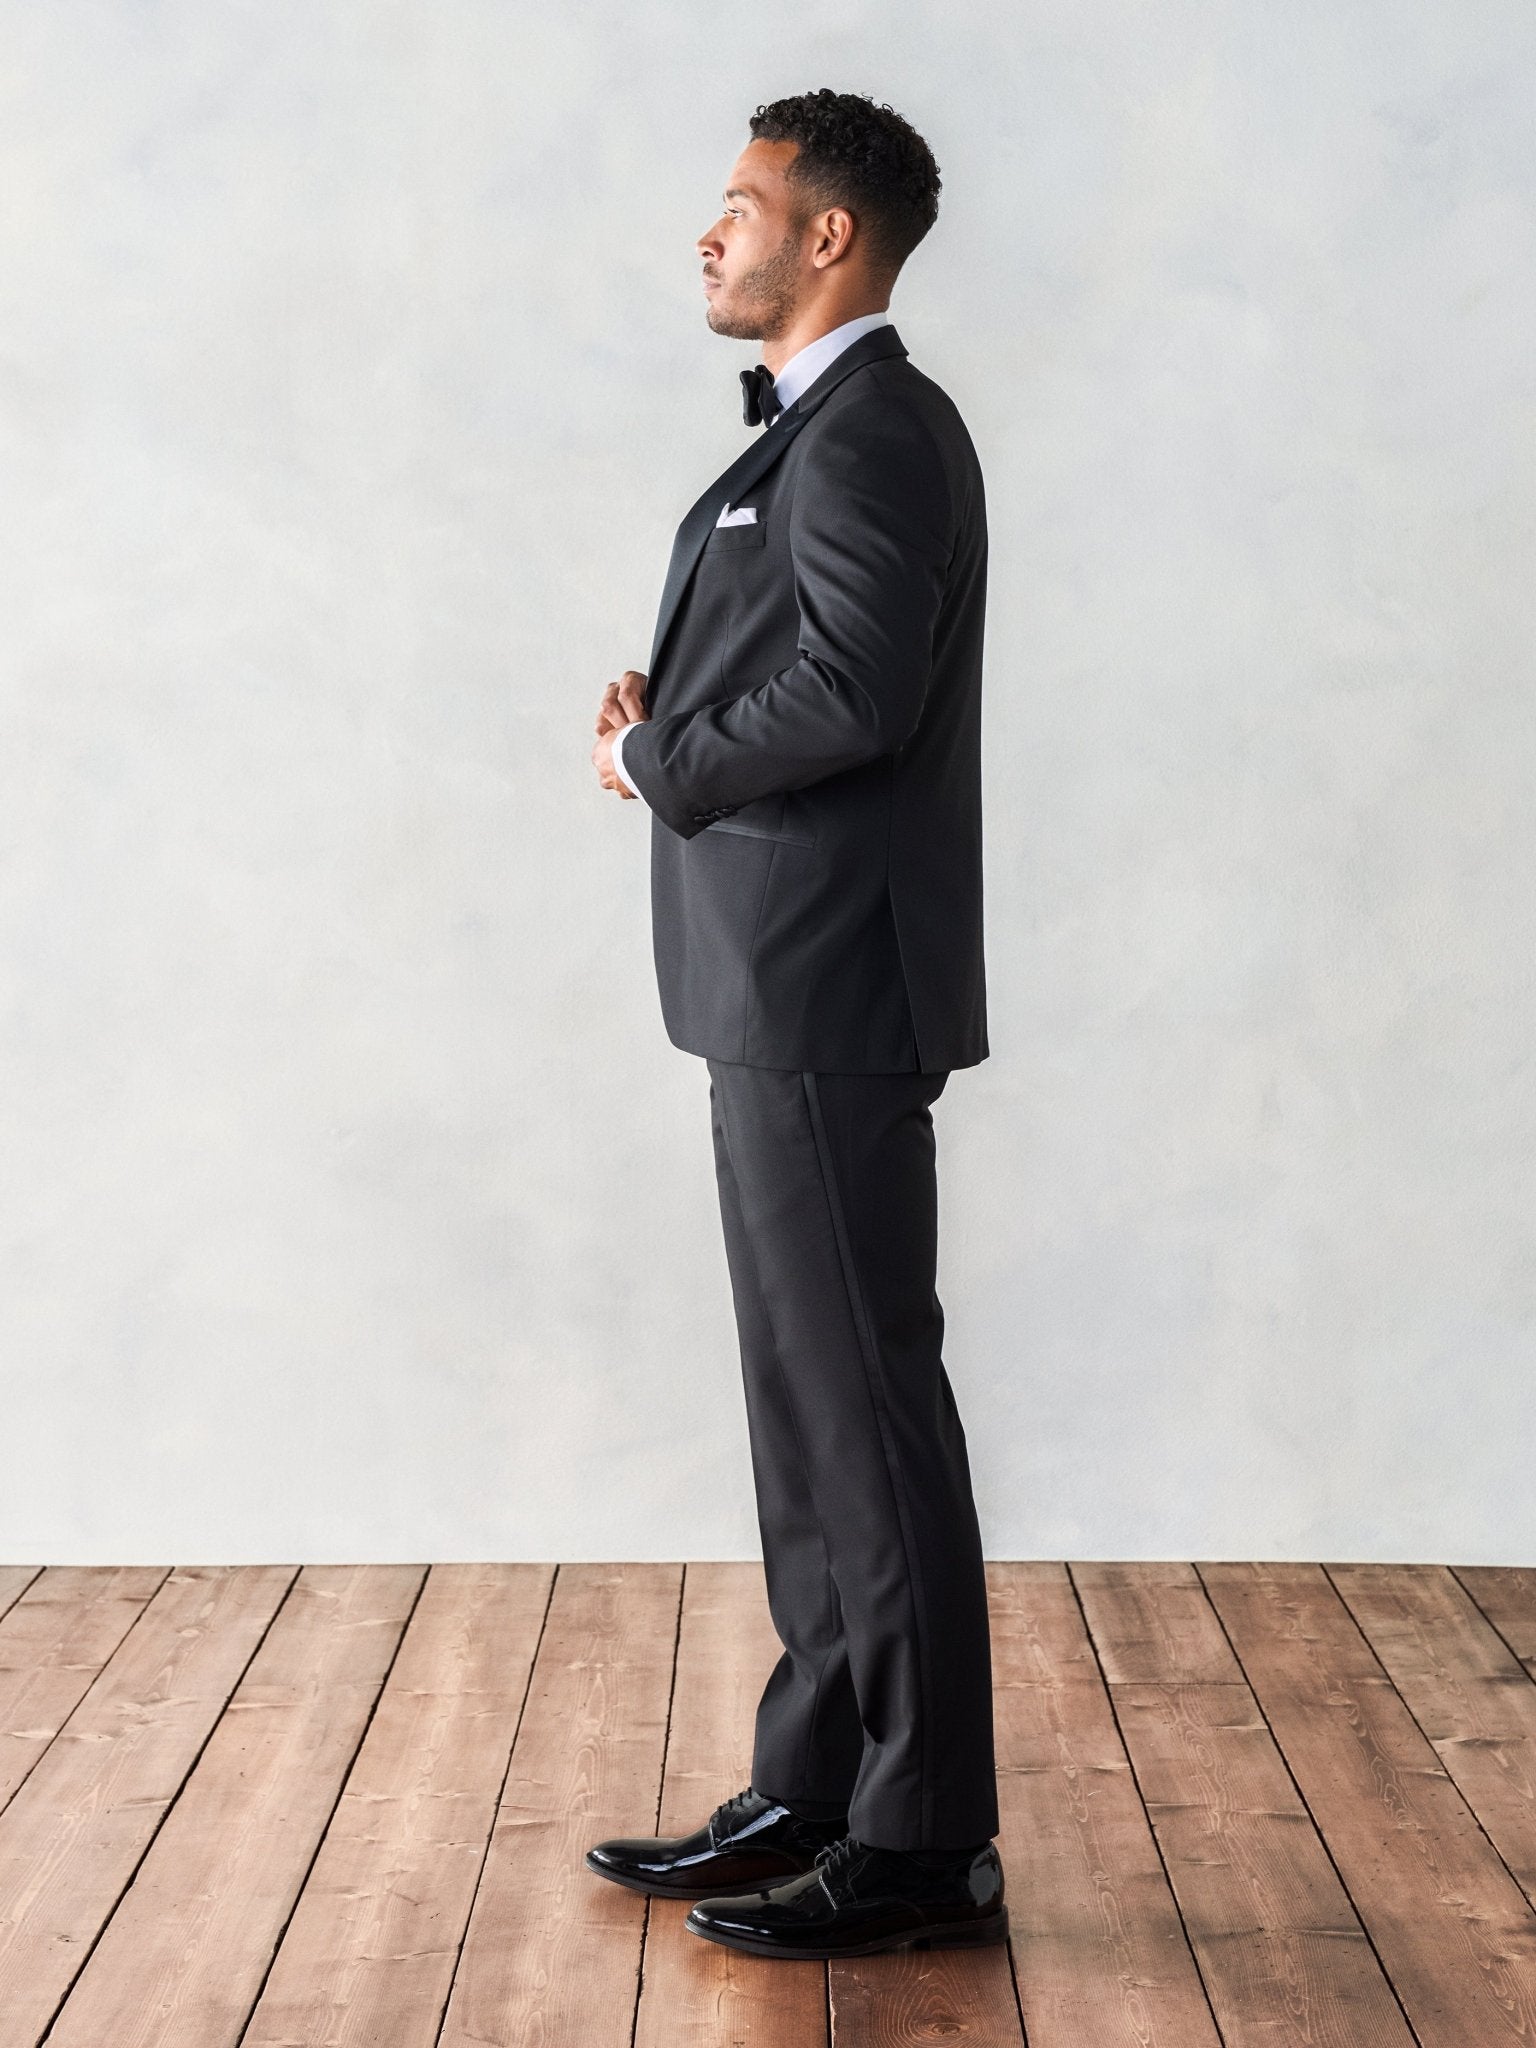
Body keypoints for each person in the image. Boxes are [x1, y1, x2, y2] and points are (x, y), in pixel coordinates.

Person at [584, 88, 1004, 1962]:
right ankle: (821, 1779)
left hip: (828, 983)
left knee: (865, 1409)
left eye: (741, 203)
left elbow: (858, 684)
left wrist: (655, 752)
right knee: (806, 1411)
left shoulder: (877, 430)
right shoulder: (820, 433)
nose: (711, 229)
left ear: (828, 236)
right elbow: (807, 660)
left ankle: (923, 1847)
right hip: (777, 980)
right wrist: (673, 695)